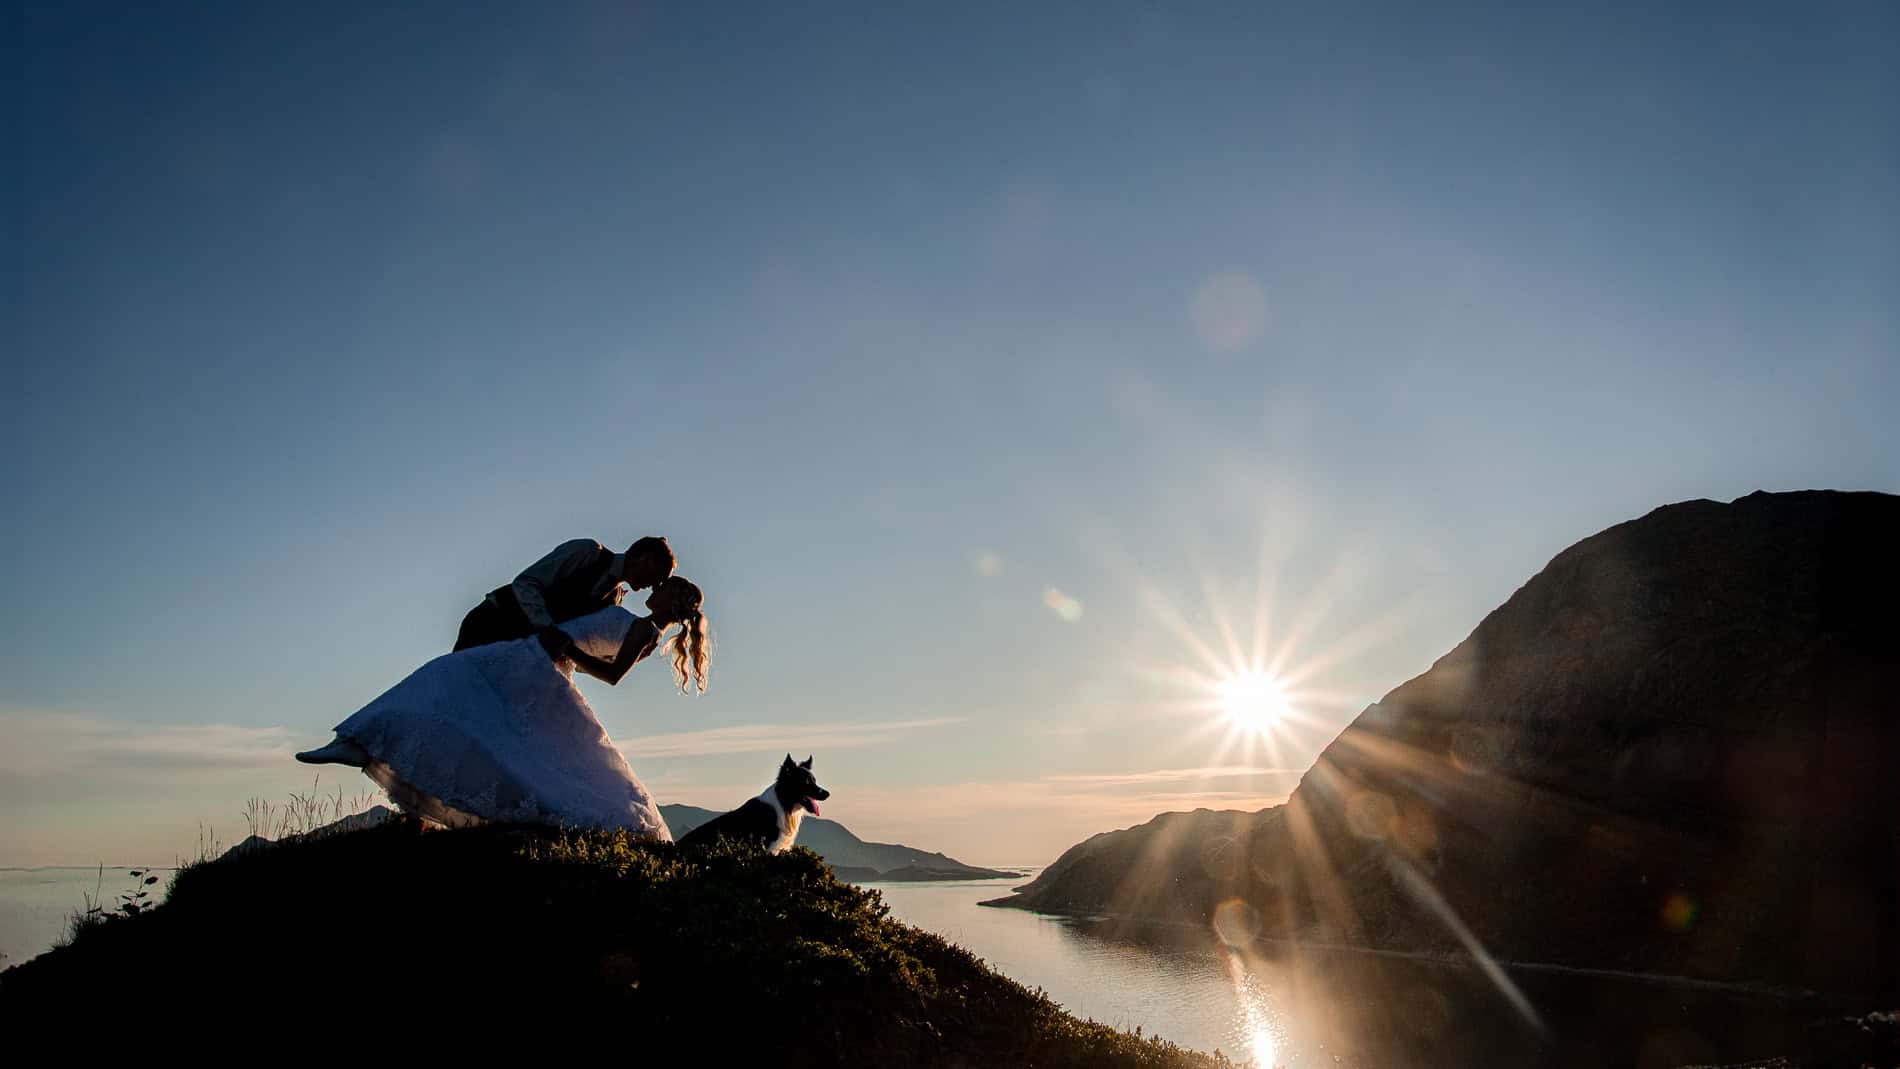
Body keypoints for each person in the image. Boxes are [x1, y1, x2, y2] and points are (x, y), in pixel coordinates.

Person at [295, 577, 712, 836]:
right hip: (532, 657)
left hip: (535, 660)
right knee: (459, 690)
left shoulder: (644, 629)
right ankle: (360, 741)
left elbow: (612, 675)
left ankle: (364, 740)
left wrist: (564, 648)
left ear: (675, 603)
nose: (661, 584)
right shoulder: (632, 616)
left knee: (450, 679)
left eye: (671, 586)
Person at [453, 535, 677, 653]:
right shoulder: (588, 552)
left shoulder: (613, 600)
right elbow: (526, 583)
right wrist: (547, 628)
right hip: (492, 622)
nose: (655, 585)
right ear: (645, 558)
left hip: (519, 649)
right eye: (659, 576)